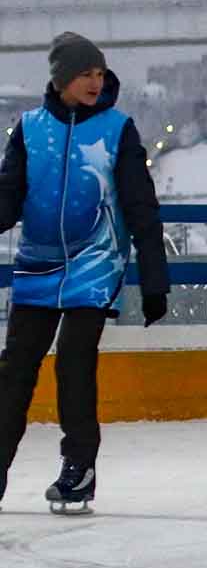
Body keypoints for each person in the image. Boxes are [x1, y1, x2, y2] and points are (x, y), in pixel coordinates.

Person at [0, 33, 170, 513]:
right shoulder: (29, 129)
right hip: (37, 263)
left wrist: (155, 278)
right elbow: (8, 197)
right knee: (15, 371)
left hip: (96, 262)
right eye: (85, 74)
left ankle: (79, 467)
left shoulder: (117, 130)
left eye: (99, 73)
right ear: (61, 79)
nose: (96, 82)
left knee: (74, 362)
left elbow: (141, 207)